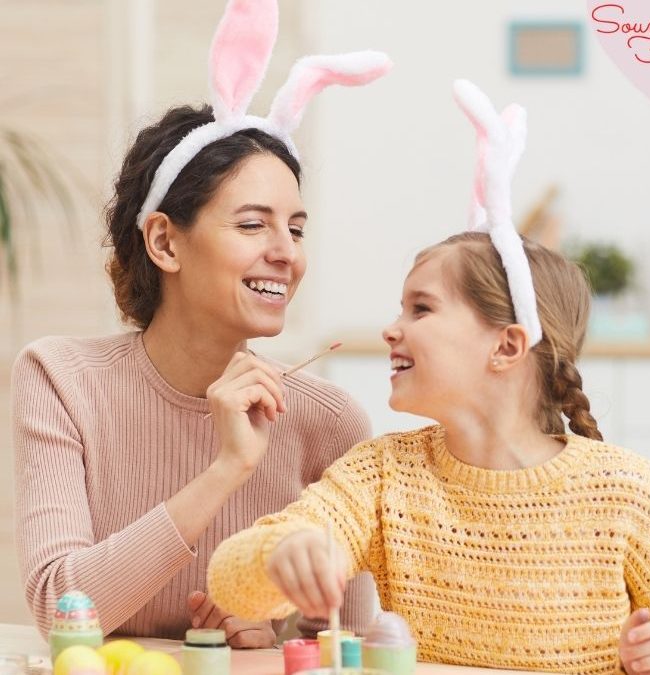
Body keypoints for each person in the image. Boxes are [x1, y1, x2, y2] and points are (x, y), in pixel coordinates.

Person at [207, 82, 650, 673]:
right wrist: (282, 553)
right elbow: (233, 584)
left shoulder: (629, 492)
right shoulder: (382, 477)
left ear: (506, 346)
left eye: (421, 309)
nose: (391, 329)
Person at [12, 0, 391, 647]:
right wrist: (226, 468)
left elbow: (348, 638)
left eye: (296, 227)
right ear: (164, 242)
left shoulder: (328, 421)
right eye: (252, 223)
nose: (286, 252)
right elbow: (61, 607)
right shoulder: (60, 379)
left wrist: (273, 631)